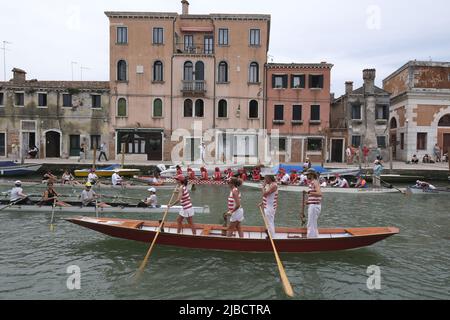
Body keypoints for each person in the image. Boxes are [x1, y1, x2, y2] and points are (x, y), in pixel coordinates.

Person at [305, 168, 322, 238]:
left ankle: (310, 238)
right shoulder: (312, 182)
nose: (307, 176)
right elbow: (314, 195)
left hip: (314, 206)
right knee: (312, 223)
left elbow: (319, 193)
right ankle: (314, 237)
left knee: (311, 224)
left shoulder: (315, 182)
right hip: (313, 205)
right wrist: (308, 202)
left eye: (308, 174)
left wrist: (309, 192)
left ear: (312, 175)